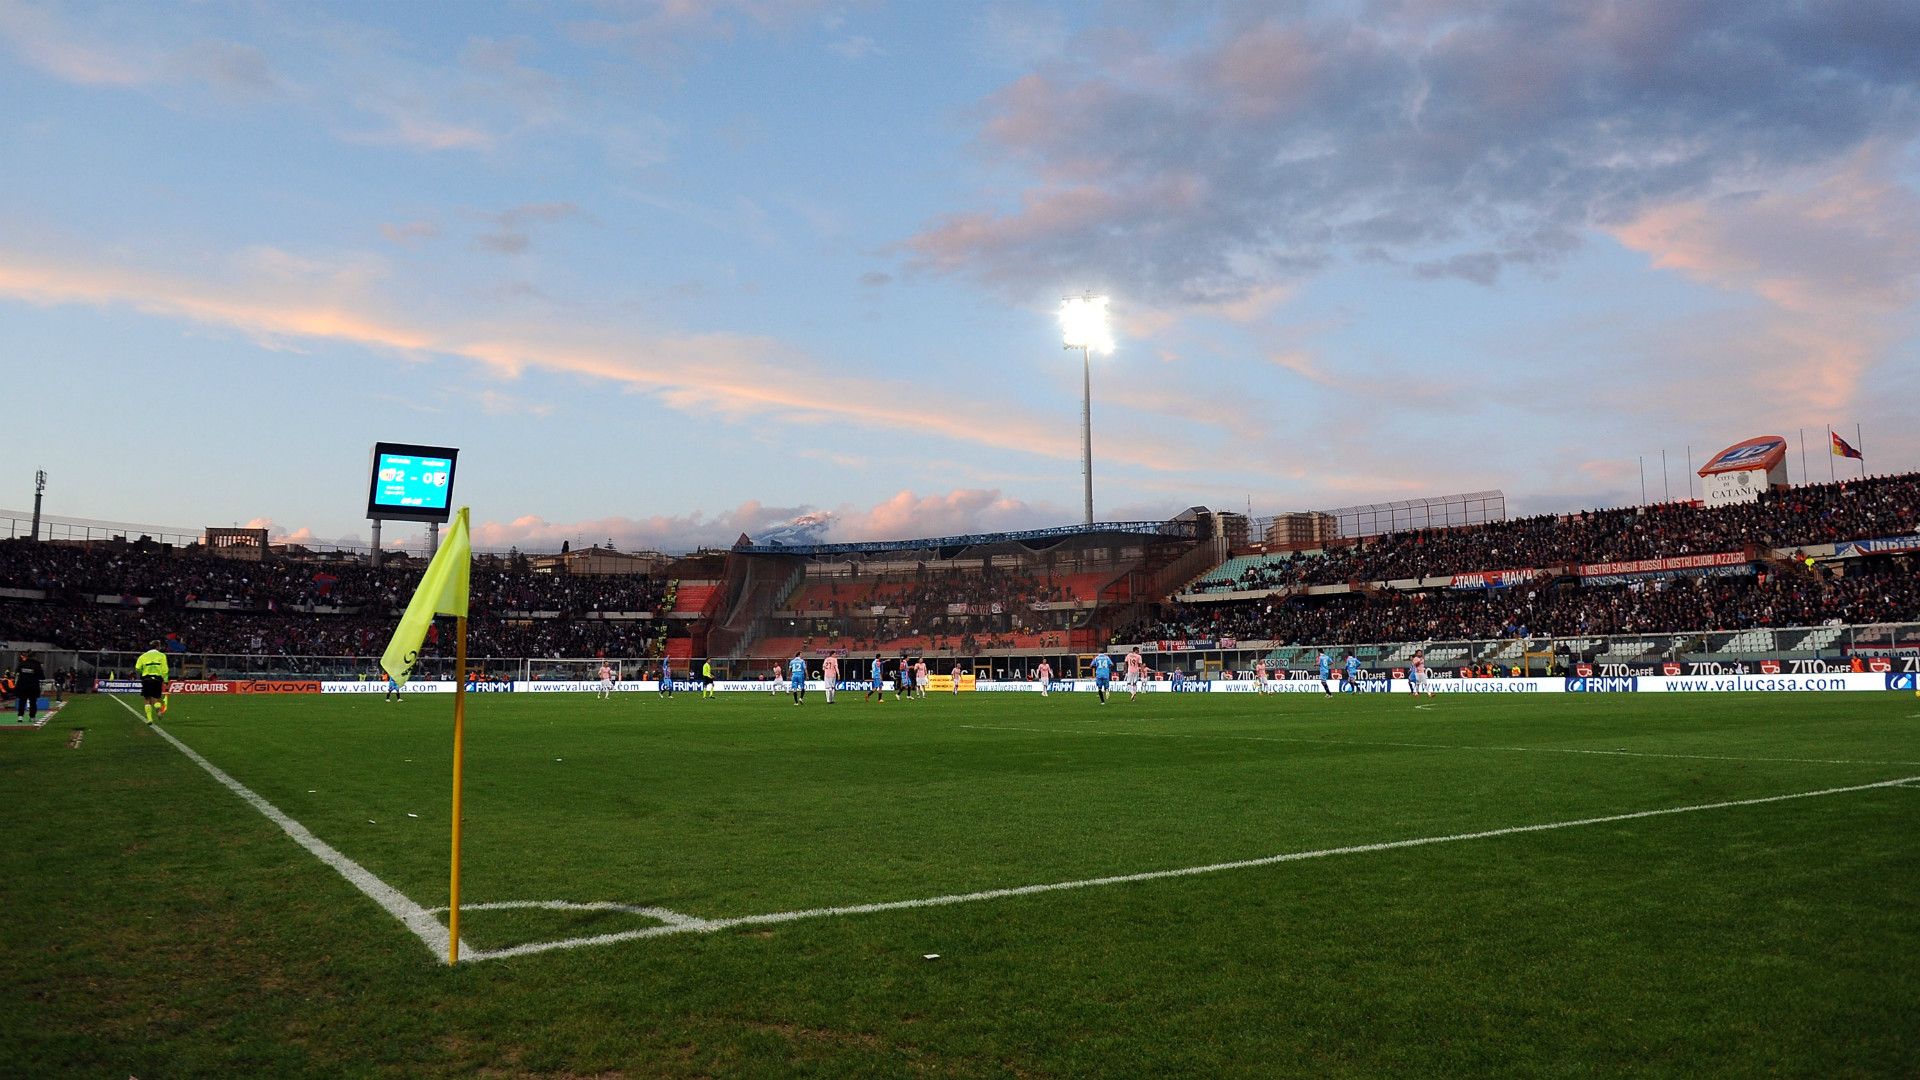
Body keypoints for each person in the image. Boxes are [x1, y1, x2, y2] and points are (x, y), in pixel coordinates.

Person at [135, 639, 170, 724]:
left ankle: (149, 718)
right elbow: (165, 669)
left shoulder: (143, 656)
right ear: (158, 646)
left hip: (146, 679)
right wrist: (166, 680)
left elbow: (137, 668)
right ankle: (158, 711)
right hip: (157, 679)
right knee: (157, 699)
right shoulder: (162, 655)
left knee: (147, 699)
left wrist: (144, 671)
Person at [13, 651, 44, 721]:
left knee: (22, 701)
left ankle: (20, 716)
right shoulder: (37, 664)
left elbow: (17, 672)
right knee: (33, 702)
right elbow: (42, 676)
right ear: (34, 657)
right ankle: (32, 717)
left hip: (22, 686)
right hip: (33, 686)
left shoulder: (22, 663)